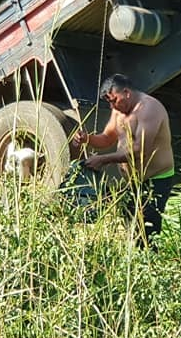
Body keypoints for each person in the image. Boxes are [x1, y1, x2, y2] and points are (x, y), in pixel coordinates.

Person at [73, 74, 175, 246]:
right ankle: (135, 259)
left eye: (114, 100)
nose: (112, 106)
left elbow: (139, 150)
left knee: (148, 231)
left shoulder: (149, 108)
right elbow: (107, 138)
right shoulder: (118, 111)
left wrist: (103, 160)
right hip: (132, 181)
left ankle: (150, 260)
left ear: (127, 92)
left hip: (155, 179)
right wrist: (87, 139)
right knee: (131, 227)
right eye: (110, 103)